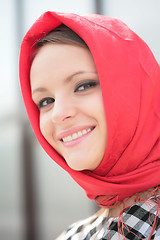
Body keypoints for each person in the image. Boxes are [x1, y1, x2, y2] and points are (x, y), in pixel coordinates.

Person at [19, 11, 160, 239]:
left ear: (135, 90)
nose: (58, 114)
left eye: (84, 85)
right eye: (46, 101)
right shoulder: (74, 235)